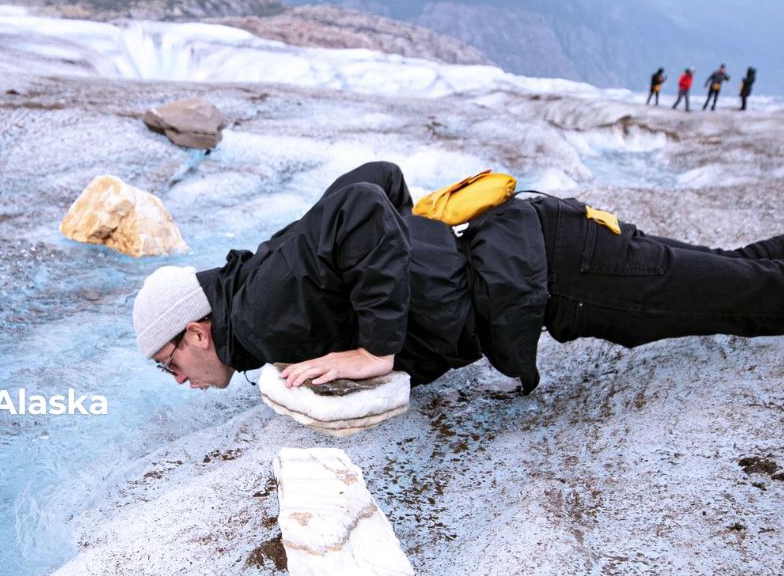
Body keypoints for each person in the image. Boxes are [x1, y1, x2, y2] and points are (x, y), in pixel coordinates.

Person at [133, 163, 784, 398]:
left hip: (563, 274)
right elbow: (381, 178)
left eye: (171, 365)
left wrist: (377, 349)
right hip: (545, 245)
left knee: (754, 298)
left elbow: (361, 206)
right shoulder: (259, 288)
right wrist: (424, 251)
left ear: (195, 331)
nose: (182, 381)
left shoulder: (260, 315)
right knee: (746, 273)